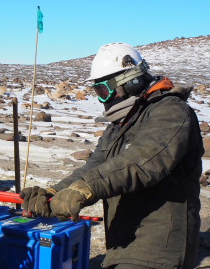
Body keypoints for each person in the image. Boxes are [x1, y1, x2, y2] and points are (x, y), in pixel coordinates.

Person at [20, 42, 203, 268]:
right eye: (97, 92)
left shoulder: (171, 112)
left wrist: (87, 188)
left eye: (103, 91)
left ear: (132, 81)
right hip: (125, 240)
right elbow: (95, 166)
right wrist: (55, 192)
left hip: (159, 248)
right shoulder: (121, 124)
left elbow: (142, 162)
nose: (102, 100)